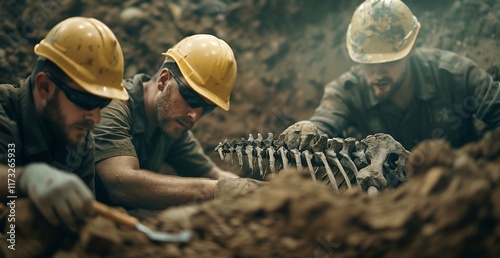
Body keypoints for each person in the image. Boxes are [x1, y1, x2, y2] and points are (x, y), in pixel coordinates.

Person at [282, 0, 500, 150]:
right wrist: (309, 131)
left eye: (388, 62)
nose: (377, 73)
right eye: (368, 63)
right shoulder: (345, 92)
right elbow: (324, 122)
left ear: (411, 50)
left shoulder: (454, 75)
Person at [93, 34, 260, 210]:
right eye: (192, 98)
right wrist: (212, 190)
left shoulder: (171, 126)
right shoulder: (113, 104)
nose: (195, 115)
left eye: (207, 107)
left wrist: (264, 193)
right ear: (164, 80)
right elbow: (121, 184)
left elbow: (215, 176)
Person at [0, 17, 129, 227]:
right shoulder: (4, 110)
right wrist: (24, 179)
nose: (95, 118)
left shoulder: (81, 140)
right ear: (45, 87)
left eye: (103, 103)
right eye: (86, 101)